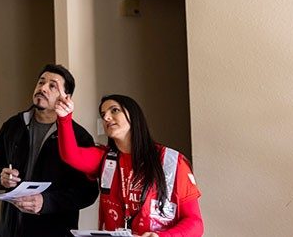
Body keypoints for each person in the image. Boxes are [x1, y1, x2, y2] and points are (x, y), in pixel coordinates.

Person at [55, 91, 204, 237]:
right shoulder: (105, 158)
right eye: (103, 114)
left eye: (114, 110)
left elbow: (195, 223)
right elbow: (70, 155)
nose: (106, 117)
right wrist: (64, 118)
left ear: (133, 116)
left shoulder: (171, 161)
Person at [0, 64, 99, 237]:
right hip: (11, 228)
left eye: (52, 85)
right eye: (41, 82)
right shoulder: (13, 125)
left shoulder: (79, 137)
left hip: (54, 230)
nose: (43, 88)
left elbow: (87, 192)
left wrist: (47, 202)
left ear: (66, 97)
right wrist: (1, 178)